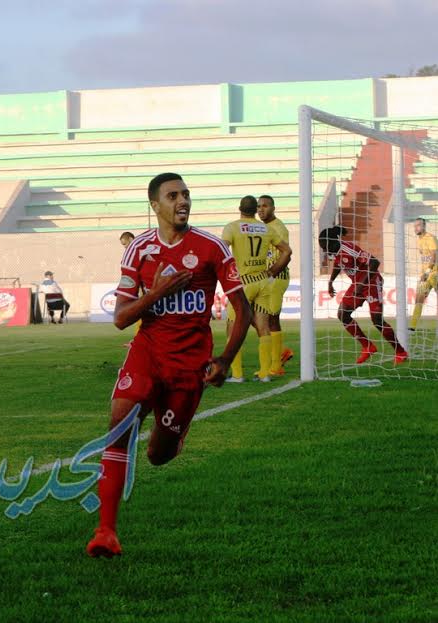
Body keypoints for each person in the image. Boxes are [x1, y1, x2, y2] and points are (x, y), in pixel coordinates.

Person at [86, 172, 251, 558]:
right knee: (119, 427)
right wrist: (159, 292)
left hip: (189, 365)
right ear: (155, 205)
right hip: (147, 353)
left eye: (186, 194)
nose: (183, 201)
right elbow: (121, 318)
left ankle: (175, 433)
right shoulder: (139, 250)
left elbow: (241, 310)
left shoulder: (212, 248)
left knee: (158, 456)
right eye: (173, 195)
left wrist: (225, 359)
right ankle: (105, 531)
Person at [221, 195, 292, 382]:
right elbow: (287, 251)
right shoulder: (266, 228)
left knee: (232, 327)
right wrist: (273, 271)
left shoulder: (232, 227)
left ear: (240, 209)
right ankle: (264, 374)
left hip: (243, 283)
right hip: (263, 281)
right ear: (255, 210)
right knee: (263, 327)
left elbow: (221, 249)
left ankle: (237, 374)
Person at [319, 226, 408, 364]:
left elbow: (374, 262)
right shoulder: (336, 251)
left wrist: (361, 284)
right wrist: (331, 281)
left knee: (377, 321)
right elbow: (338, 264)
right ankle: (368, 346)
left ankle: (400, 352)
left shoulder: (349, 249)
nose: (324, 250)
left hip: (371, 282)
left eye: (325, 247)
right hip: (358, 284)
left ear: (332, 242)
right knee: (343, 314)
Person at [257, 195, 294, 373]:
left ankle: (277, 365)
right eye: (258, 206)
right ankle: (280, 353)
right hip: (266, 279)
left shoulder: (278, 228)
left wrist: (272, 274)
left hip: (277, 278)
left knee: (271, 318)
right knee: (258, 317)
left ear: (273, 208)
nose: (261, 209)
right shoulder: (263, 228)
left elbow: (285, 254)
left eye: (264, 206)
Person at [411, 218, 437, 330]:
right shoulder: (419, 240)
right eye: (414, 226)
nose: (415, 228)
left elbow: (434, 257)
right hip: (425, 275)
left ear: (424, 226)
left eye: (418, 225)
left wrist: (427, 272)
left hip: (435, 273)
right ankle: (412, 327)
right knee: (418, 299)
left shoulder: (430, 238)